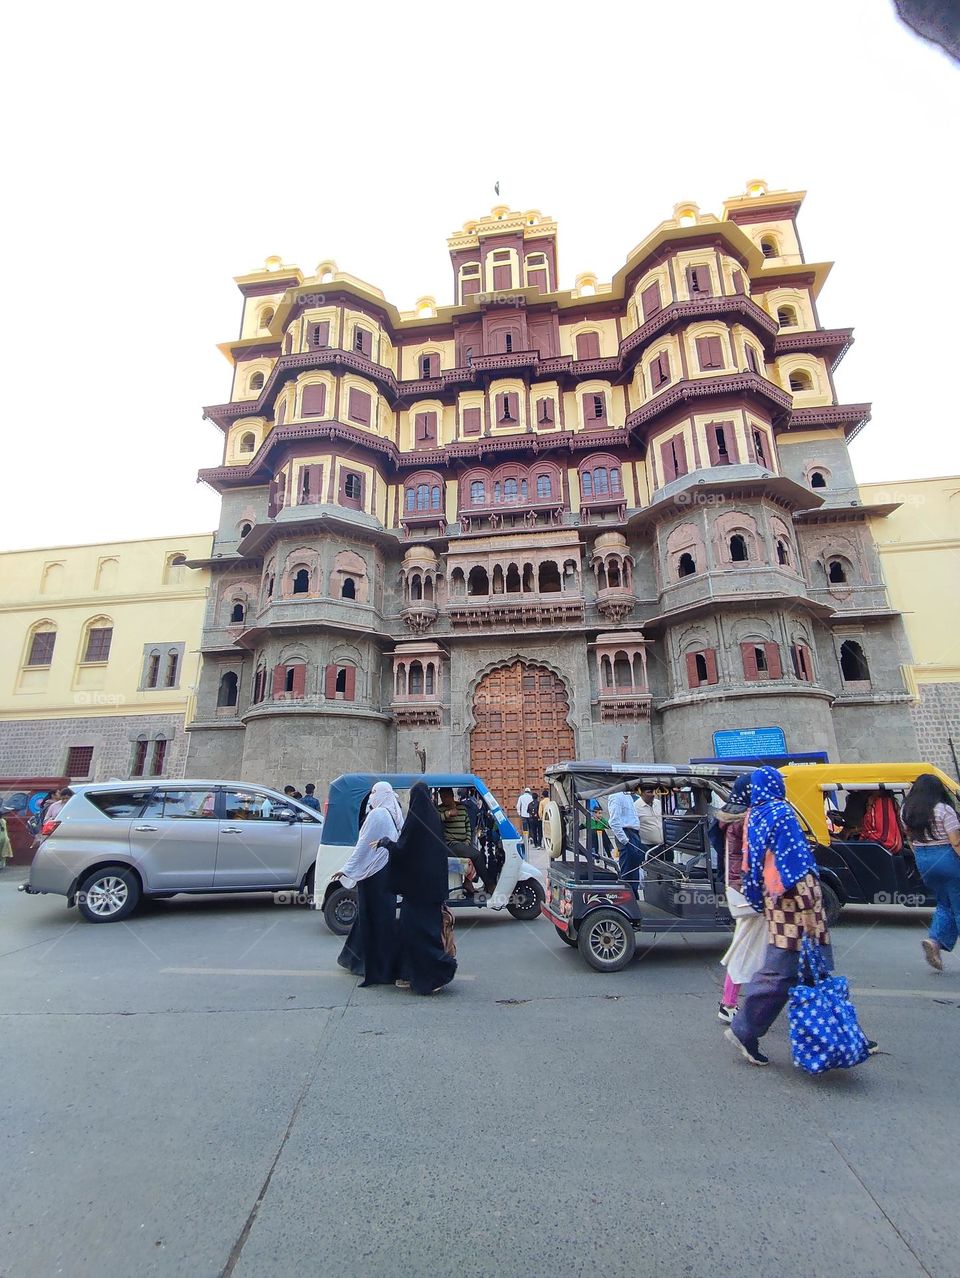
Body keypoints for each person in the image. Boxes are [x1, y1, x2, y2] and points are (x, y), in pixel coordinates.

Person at [726, 766, 877, 1066]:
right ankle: (745, 1029)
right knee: (782, 973)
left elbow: (753, 862)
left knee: (814, 972)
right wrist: (808, 908)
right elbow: (794, 864)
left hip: (775, 900)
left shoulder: (756, 814)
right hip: (797, 906)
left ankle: (842, 1034)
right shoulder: (781, 813)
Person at [381, 781, 457, 995]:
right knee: (424, 933)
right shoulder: (433, 818)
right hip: (431, 891)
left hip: (416, 892)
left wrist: (387, 843)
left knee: (417, 934)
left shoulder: (415, 820)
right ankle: (410, 974)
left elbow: (404, 849)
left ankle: (434, 975)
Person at [334, 781, 403, 986]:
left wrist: (346, 869)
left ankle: (370, 965)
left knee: (371, 919)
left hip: (373, 875)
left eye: (374, 792)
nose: (372, 796)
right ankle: (353, 958)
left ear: (381, 794)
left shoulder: (378, 815)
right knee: (378, 918)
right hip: (386, 872)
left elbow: (363, 845)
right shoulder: (394, 814)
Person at [715, 775, 765, 1023]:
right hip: (748, 889)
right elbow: (754, 855)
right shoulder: (746, 819)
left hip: (734, 886)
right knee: (749, 947)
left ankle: (732, 1002)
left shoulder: (727, 816)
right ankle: (730, 1003)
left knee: (748, 944)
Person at [902, 773, 960, 971]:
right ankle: (935, 941)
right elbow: (955, 841)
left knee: (944, 903)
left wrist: (922, 856)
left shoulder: (907, 810)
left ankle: (934, 941)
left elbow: (910, 840)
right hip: (947, 857)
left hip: (924, 860)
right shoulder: (944, 810)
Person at [437, 787, 489, 892]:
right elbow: (435, 819)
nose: (443, 800)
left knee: (478, 855)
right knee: (477, 855)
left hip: (463, 843)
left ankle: (468, 882)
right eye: (442, 797)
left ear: (451, 796)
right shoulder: (440, 809)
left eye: (445, 797)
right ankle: (490, 884)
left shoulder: (462, 808)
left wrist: (467, 841)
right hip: (451, 844)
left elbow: (468, 826)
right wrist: (448, 814)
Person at [606, 789, 645, 898]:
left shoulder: (629, 796)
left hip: (634, 833)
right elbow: (614, 821)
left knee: (634, 869)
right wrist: (625, 840)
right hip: (626, 833)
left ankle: (634, 895)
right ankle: (626, 897)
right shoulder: (616, 796)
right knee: (627, 870)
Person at [632, 786, 663, 856]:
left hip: (664, 845)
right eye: (649, 792)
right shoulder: (635, 807)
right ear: (641, 793)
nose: (653, 794)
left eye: (654, 792)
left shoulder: (658, 803)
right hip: (647, 847)